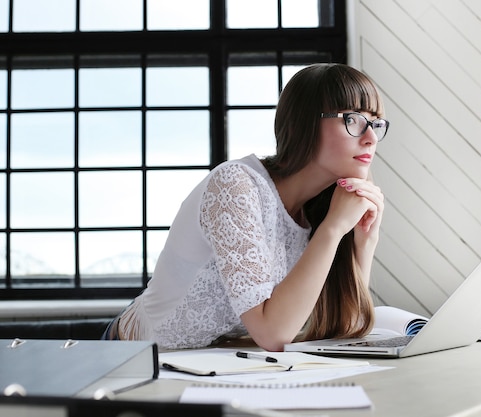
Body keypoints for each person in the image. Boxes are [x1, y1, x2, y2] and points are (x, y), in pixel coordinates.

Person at [103, 63, 390, 351]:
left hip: (217, 365)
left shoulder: (322, 206)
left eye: (376, 123)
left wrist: (364, 241)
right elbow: (272, 334)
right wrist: (333, 229)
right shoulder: (236, 185)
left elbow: (347, 325)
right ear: (304, 123)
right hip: (132, 355)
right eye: (353, 120)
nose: (371, 138)